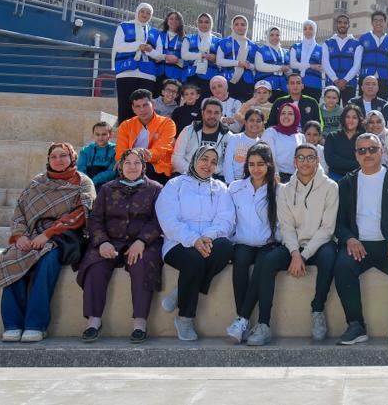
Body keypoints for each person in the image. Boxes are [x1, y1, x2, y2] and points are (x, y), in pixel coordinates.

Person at [0, 143, 96, 343]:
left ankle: (36, 325)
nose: (58, 160)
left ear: (72, 158)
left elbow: (81, 214)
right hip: (31, 235)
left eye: (63, 156)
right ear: (48, 160)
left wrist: (48, 234)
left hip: (62, 237)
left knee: (47, 261)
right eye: (54, 156)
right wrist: (20, 236)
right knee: (11, 258)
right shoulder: (37, 182)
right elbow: (20, 210)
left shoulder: (83, 182)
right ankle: (13, 324)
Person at [334, 133, 388, 347]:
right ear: (356, 155)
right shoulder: (346, 183)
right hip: (358, 245)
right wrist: (349, 239)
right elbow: (338, 221)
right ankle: (356, 325)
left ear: (382, 151)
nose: (367, 154)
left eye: (372, 149)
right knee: (342, 265)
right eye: (362, 150)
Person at [76, 149, 162, 343]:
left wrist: (142, 241)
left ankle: (140, 323)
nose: (132, 167)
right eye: (127, 163)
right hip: (111, 240)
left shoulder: (155, 189)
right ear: (120, 166)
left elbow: (159, 220)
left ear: (143, 166)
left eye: (137, 163)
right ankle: (93, 321)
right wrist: (102, 242)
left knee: (142, 265)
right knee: (96, 266)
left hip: (141, 242)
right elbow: (95, 219)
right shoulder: (107, 189)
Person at [259, 143, 341, 344]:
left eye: (310, 157)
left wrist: (303, 255)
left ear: (317, 161)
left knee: (330, 256)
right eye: (301, 158)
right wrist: (295, 253)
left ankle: (317, 309)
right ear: (294, 162)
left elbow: (327, 229)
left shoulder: (331, 187)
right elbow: (286, 227)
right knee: (268, 262)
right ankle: (263, 324)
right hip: (294, 245)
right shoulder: (285, 190)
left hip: (320, 243)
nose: (305, 162)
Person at [156, 146, 235, 341]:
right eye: (204, 159)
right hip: (177, 243)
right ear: (194, 159)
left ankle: (181, 291)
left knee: (226, 247)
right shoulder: (175, 184)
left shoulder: (220, 188)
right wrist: (193, 239)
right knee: (194, 260)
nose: (208, 165)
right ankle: (185, 318)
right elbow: (168, 219)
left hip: (209, 241)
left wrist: (207, 237)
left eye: (214, 162)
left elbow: (226, 219)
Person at [225, 144, 281, 345]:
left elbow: (281, 224)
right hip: (243, 242)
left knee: (262, 266)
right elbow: (228, 218)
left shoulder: (279, 190)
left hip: (268, 244)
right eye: (251, 164)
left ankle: (242, 319)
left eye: (260, 164)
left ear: (269, 164)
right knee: (240, 261)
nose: (255, 169)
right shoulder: (235, 188)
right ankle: (243, 322)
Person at [115, 89, 176, 185]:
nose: (142, 110)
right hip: (131, 164)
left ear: (153, 104)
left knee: (142, 170)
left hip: (157, 167)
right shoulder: (126, 125)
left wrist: (138, 154)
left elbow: (160, 152)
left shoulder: (167, 123)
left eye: (145, 105)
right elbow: (120, 152)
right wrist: (135, 156)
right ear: (133, 109)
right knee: (120, 169)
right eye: (138, 106)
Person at [112, 2, 158, 121]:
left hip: (147, 75)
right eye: (142, 11)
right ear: (137, 12)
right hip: (126, 72)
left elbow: (159, 54)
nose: (145, 15)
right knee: (125, 107)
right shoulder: (124, 26)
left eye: (148, 13)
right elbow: (118, 46)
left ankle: (142, 132)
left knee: (144, 110)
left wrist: (149, 50)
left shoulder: (154, 32)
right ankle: (124, 132)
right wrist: (138, 45)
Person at [171, 98, 230, 178]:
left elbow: (228, 164)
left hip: (213, 177)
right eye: (209, 112)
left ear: (221, 115)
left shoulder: (228, 136)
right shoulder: (188, 130)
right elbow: (176, 158)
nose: (212, 116)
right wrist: (195, 171)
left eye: (216, 113)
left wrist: (209, 171)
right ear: (203, 113)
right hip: (187, 173)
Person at [323, 14, 364, 103]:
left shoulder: (356, 44)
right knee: (331, 110)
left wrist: (345, 80)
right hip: (332, 84)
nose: (342, 25)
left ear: (348, 25)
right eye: (340, 22)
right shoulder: (327, 43)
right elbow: (325, 63)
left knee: (349, 110)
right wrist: (335, 80)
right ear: (336, 24)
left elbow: (357, 65)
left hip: (349, 84)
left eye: (345, 23)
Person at [217, 15, 258, 102]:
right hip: (228, 80)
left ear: (247, 27)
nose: (240, 27)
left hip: (246, 82)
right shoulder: (224, 42)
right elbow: (219, 61)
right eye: (236, 24)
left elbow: (257, 66)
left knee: (244, 108)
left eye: (243, 24)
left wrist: (249, 66)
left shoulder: (253, 46)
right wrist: (238, 63)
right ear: (232, 26)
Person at [262, 102, 306, 183]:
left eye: (290, 114)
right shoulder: (271, 132)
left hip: (295, 178)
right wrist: (275, 175)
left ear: (296, 116)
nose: (286, 116)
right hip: (274, 177)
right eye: (283, 113)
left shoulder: (300, 136)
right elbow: (269, 157)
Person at [181, 13, 221, 100]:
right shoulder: (188, 38)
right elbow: (184, 55)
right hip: (191, 75)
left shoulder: (218, 41)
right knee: (191, 102)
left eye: (206, 22)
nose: (203, 24)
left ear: (211, 24)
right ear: (197, 24)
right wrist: (201, 55)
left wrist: (215, 58)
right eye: (201, 22)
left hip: (210, 77)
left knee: (205, 102)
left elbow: (221, 59)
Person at [358, 11, 388, 100]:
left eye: (381, 20)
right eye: (375, 20)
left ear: (385, 23)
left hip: (383, 78)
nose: (378, 23)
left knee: (382, 105)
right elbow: (357, 59)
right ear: (371, 22)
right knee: (363, 104)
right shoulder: (363, 38)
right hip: (366, 77)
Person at [223, 109, 265, 183]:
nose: (255, 123)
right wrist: (231, 184)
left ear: (262, 124)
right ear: (245, 122)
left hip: (252, 183)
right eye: (251, 120)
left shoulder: (261, 144)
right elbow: (227, 163)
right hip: (234, 181)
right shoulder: (235, 138)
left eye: (258, 121)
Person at [324, 105, 365, 181]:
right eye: (347, 117)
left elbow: (364, 160)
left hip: (358, 176)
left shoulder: (364, 138)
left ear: (359, 120)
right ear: (343, 118)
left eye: (354, 117)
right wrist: (355, 163)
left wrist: (342, 162)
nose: (350, 120)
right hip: (336, 176)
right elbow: (330, 160)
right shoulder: (332, 136)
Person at [149, 10, 187, 92]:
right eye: (171, 19)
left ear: (180, 22)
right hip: (159, 74)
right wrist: (164, 57)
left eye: (177, 19)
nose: (174, 21)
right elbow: (153, 53)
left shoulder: (185, 39)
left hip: (176, 77)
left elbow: (187, 60)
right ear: (167, 20)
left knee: (173, 99)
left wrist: (178, 61)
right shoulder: (159, 35)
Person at [290, 19, 326, 102]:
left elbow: (324, 67)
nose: (307, 31)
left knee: (312, 109)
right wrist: (310, 66)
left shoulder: (321, 49)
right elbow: (292, 64)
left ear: (315, 31)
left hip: (314, 85)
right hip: (297, 86)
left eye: (310, 28)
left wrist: (320, 68)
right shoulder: (296, 47)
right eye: (305, 29)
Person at [254, 26, 292, 102]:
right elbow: (259, 66)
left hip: (283, 89)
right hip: (266, 89)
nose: (275, 37)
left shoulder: (286, 52)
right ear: (268, 36)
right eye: (272, 35)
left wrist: (287, 70)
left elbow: (290, 72)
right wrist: (280, 68)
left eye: (277, 35)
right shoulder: (261, 50)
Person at [77, 121, 117, 190]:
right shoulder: (85, 150)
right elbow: (81, 169)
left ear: (110, 135)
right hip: (87, 183)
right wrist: (87, 182)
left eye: (104, 134)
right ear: (93, 135)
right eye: (97, 134)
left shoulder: (115, 150)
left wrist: (95, 180)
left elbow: (112, 172)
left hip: (107, 184)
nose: (100, 137)